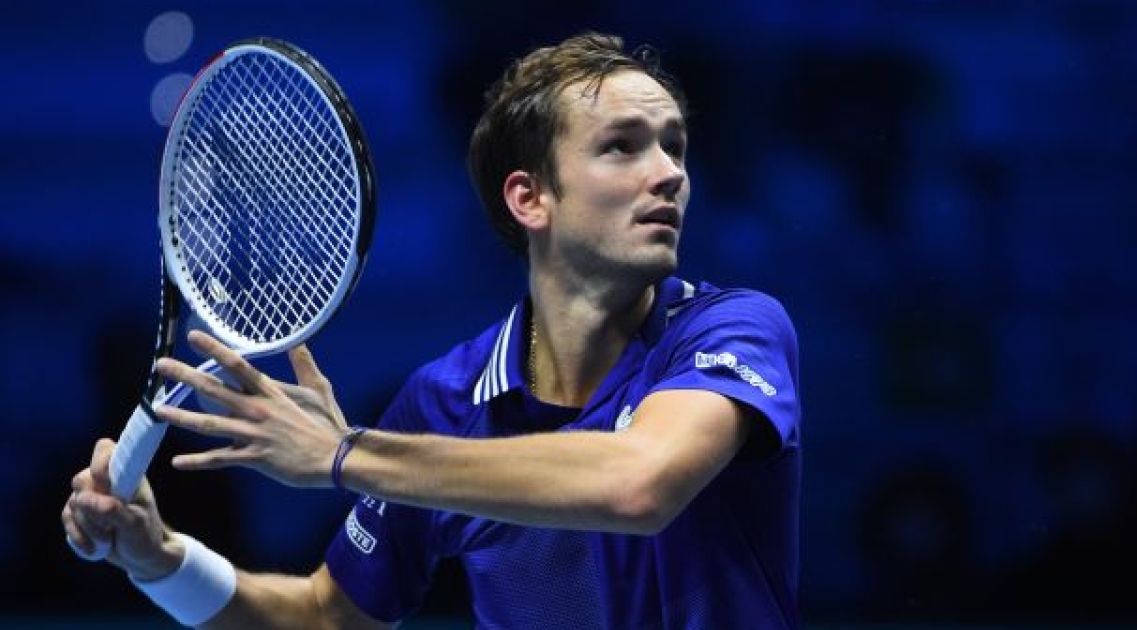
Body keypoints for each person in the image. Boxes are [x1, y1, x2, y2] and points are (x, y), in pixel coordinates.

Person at [63, 32, 802, 629]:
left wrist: (346, 454)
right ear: (529, 198)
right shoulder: (442, 402)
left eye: (674, 145)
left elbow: (639, 484)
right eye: (623, 146)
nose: (669, 173)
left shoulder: (729, 331)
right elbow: (326, 616)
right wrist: (161, 562)